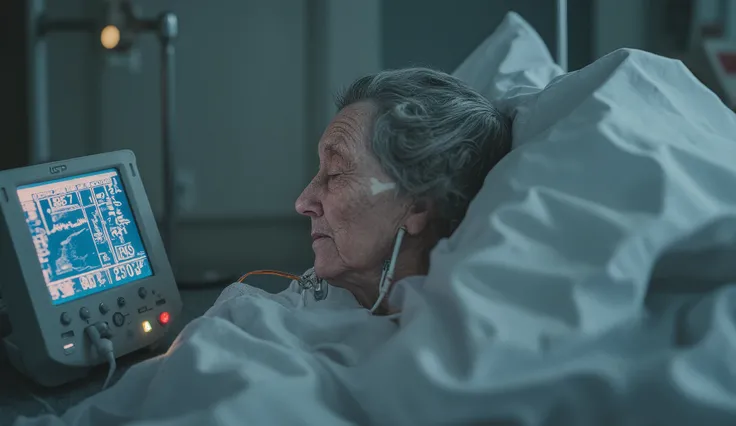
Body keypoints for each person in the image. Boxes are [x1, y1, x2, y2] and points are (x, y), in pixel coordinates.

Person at [286, 67, 512, 314]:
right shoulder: (285, 316)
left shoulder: (458, 342)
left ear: (419, 204)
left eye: (336, 172)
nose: (302, 202)